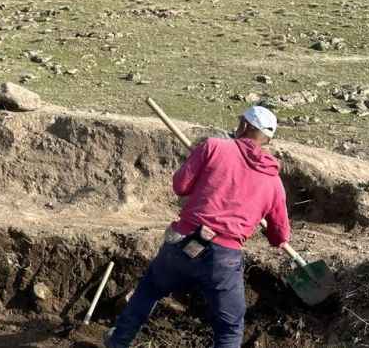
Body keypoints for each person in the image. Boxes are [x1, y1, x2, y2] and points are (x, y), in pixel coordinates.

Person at [105, 106, 291, 348]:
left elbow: (180, 186)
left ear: (245, 126)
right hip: (223, 258)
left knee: (149, 290)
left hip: (186, 240)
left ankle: (118, 341)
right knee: (230, 328)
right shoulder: (274, 182)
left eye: (240, 122)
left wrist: (202, 166)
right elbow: (280, 236)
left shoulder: (214, 147)